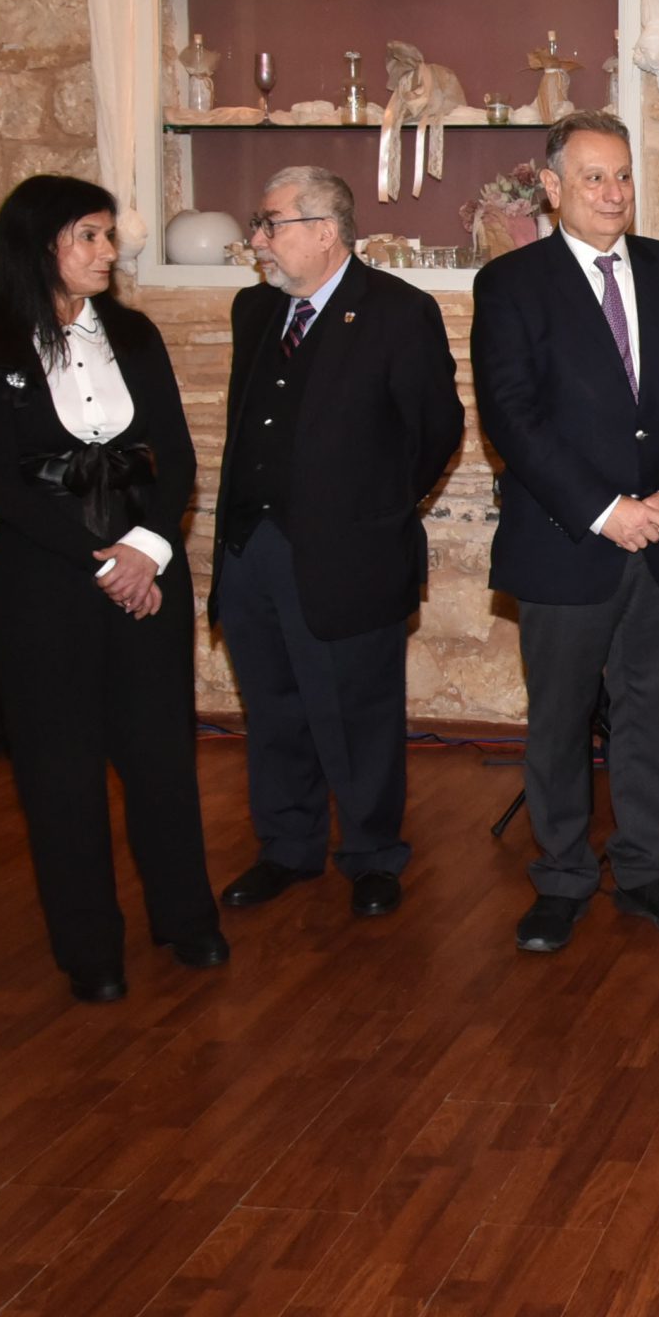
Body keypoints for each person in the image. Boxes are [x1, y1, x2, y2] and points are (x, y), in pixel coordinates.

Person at [472, 112, 659, 953]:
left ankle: (646, 871)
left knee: (651, 713)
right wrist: (605, 509)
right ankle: (561, 877)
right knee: (559, 718)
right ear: (552, 187)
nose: (613, 192)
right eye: (593, 176)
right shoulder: (512, 284)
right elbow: (512, 417)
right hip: (567, 541)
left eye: (622, 175)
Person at [0, 175, 223, 1003]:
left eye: (109, 236)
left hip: (148, 575)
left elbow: (175, 456)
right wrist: (100, 562)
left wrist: (146, 550)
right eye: (91, 236)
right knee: (60, 772)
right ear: (41, 246)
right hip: (47, 584)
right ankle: (89, 949)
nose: (109, 252)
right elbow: (4, 485)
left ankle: (186, 918)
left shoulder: (135, 334)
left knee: (160, 758)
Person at [211, 166, 465, 921]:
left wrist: (375, 513)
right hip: (252, 548)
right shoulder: (256, 309)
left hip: (349, 554)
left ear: (325, 231)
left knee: (358, 715)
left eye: (271, 223)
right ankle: (287, 847)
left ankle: (371, 854)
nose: (258, 240)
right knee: (272, 709)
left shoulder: (397, 311)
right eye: (258, 225)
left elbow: (436, 430)